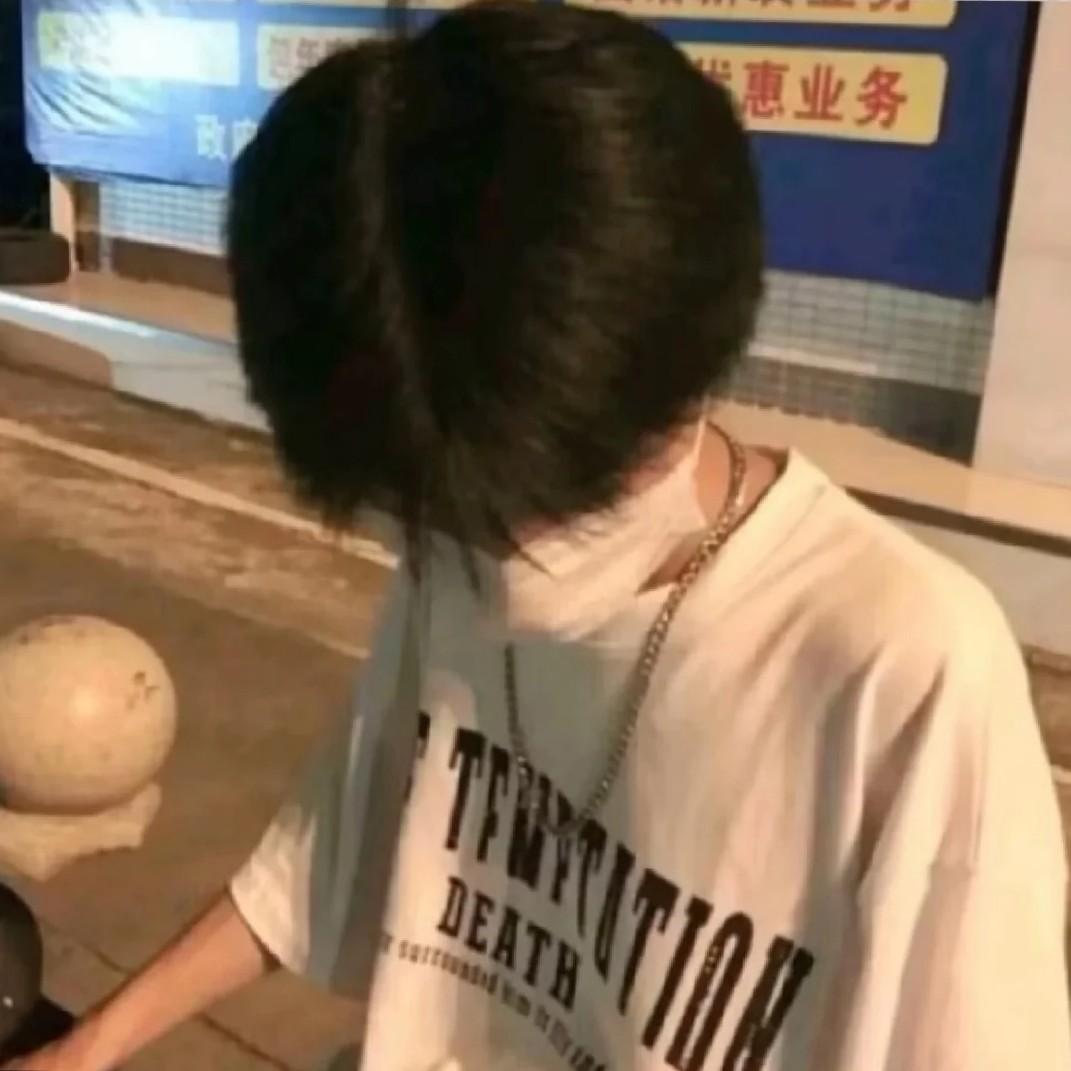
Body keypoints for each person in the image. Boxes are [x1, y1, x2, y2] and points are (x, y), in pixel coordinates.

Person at [8, 2, 1069, 1068]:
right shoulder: (454, 538)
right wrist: (91, 1044)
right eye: (438, 506)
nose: (494, 545)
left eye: (530, 487)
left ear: (674, 363)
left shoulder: (905, 672)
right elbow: (327, 849)